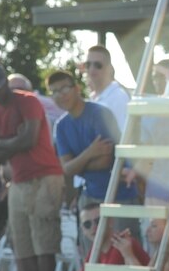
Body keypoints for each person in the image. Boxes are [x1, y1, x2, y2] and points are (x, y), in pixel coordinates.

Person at [0, 61, 66, 271]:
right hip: (18, 181)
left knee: (44, 241)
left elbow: (30, 138)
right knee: (22, 243)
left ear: (5, 83)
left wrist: (3, 143)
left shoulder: (28, 101)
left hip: (45, 176)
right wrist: (15, 141)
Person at [49, 68, 120, 210]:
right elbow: (67, 169)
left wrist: (77, 166)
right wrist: (90, 152)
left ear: (77, 88)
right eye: (54, 91)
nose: (61, 95)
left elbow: (104, 161)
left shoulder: (99, 114)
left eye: (64, 88)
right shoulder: (61, 126)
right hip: (89, 196)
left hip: (118, 195)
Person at [85, 43, 130, 131]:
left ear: (109, 68)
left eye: (98, 65)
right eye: (88, 65)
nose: (91, 69)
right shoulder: (92, 98)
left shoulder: (118, 97)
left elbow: (121, 134)